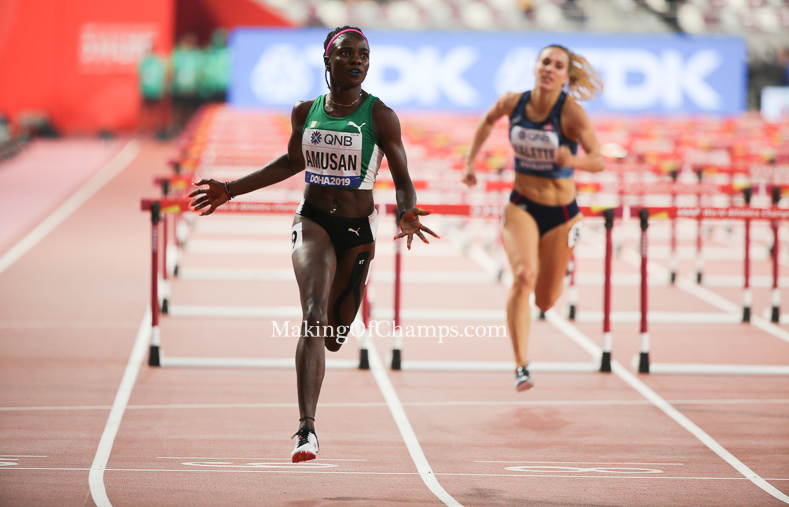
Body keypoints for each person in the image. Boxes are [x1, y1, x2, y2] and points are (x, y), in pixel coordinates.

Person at [188, 26, 438, 462]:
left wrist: (406, 210)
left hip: (358, 231)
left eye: (363, 54)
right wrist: (231, 189)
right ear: (327, 60)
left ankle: (325, 360)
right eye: (346, 54)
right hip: (313, 221)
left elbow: (403, 181)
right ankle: (307, 430)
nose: (357, 61)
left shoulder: (381, 116)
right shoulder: (306, 112)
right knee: (312, 315)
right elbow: (290, 162)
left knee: (337, 335)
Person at [462, 44, 604, 392]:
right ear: (536, 66)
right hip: (521, 205)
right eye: (545, 62)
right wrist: (470, 161)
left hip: (562, 215)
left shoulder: (571, 113)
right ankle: (521, 365)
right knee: (523, 276)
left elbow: (598, 160)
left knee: (544, 300)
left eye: (558, 66)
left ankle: (560, 261)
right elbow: (487, 119)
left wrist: (573, 162)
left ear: (566, 77)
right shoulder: (515, 102)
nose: (549, 69)